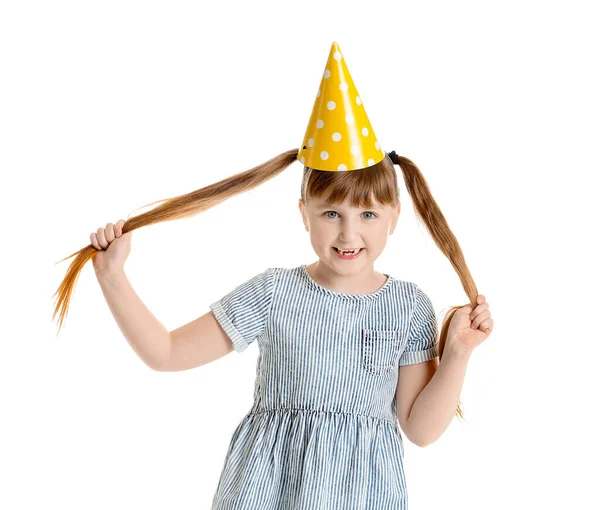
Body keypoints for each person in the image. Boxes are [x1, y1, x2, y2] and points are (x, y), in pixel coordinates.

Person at [53, 42, 494, 509]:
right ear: (304, 214)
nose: (348, 233)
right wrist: (112, 276)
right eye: (330, 213)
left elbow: (421, 430)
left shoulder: (408, 306)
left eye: (367, 214)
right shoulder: (273, 293)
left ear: (394, 216)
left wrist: (459, 353)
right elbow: (166, 353)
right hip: (266, 493)